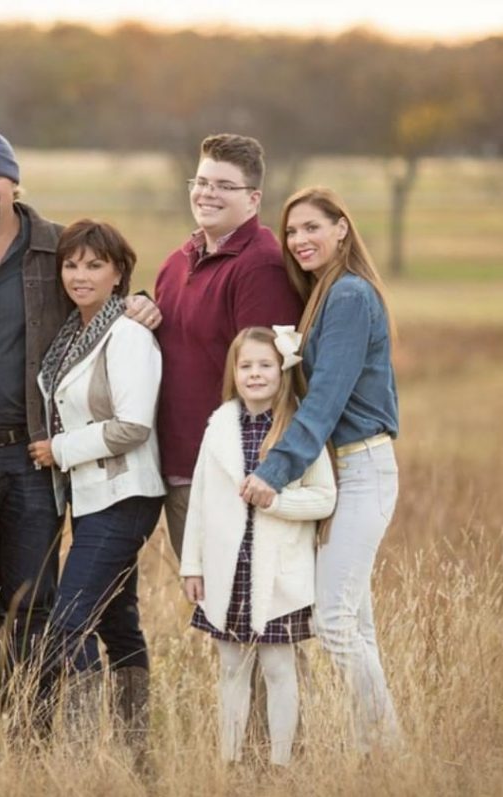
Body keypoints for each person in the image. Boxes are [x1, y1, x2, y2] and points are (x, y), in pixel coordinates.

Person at [0, 126, 161, 703]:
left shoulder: (58, 249)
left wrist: (143, 304)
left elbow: (106, 305)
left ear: (13, 181)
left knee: (35, 598)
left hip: (33, 455)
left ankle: (34, 724)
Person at [241, 187, 402, 753]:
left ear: (342, 229)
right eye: (291, 231)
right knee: (355, 627)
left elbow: (327, 399)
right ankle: (382, 755)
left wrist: (275, 470)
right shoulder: (326, 296)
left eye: (312, 227)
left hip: (363, 469)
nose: (299, 240)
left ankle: (386, 750)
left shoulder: (351, 296)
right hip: (342, 471)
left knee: (334, 623)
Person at [29, 220, 164, 754]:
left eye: (94, 265)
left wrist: (58, 450)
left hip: (125, 496)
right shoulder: (76, 332)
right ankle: (135, 750)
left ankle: (82, 753)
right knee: (118, 622)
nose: (79, 275)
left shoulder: (129, 334)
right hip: (90, 499)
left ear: (118, 274)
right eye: (71, 264)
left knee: (69, 622)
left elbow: (133, 425)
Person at [181, 326, 336, 766]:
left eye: (265, 365)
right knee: (231, 668)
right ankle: (229, 761)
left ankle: (281, 764)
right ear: (233, 371)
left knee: (278, 669)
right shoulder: (219, 427)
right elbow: (200, 500)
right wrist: (192, 565)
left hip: (278, 573)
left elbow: (325, 497)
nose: (254, 374)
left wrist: (277, 501)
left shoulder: (299, 429)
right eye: (245, 365)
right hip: (229, 571)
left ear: (282, 370)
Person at [155, 134, 303, 562]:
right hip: (178, 462)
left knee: (241, 604)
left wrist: (254, 470)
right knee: (209, 601)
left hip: (230, 469)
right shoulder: (179, 259)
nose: (207, 193)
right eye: (201, 182)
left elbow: (266, 382)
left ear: (253, 199)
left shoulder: (262, 267)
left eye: (224, 185)